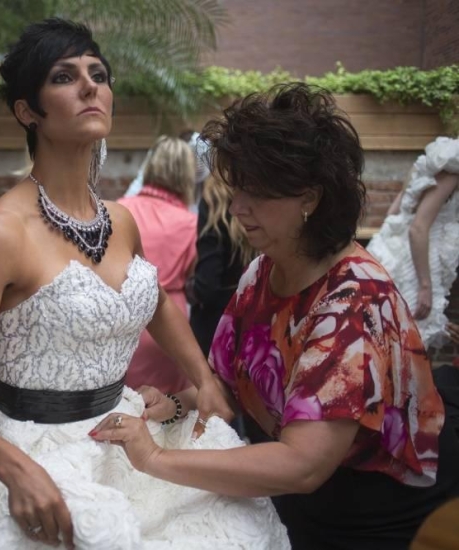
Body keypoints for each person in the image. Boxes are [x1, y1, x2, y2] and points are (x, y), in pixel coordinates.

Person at [0, 19, 289, 550]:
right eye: (64, 77)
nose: (90, 86)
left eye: (98, 74)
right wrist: (13, 468)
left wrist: (203, 380)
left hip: (126, 434)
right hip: (34, 454)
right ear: (26, 111)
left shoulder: (121, 220)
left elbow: (152, 300)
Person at [92, 83, 459, 550]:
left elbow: (301, 465)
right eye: (237, 188)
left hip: (374, 515)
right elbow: (222, 387)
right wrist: (175, 403)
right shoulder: (263, 273)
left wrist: (154, 458)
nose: (238, 207)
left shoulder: (352, 303)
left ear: (310, 198)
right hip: (301, 499)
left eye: (258, 193)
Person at [117, 136, 198, 394]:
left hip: (123, 318)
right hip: (170, 327)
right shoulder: (190, 223)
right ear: (187, 175)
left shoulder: (120, 210)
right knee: (167, 413)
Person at [366, 137, 459, 350]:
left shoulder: (432, 158)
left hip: (393, 251)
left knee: (384, 341)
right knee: (409, 344)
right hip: (417, 264)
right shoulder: (453, 169)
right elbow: (418, 228)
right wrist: (425, 286)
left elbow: (393, 212)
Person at [187, 173, 256, 357]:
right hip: (253, 324)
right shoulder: (257, 201)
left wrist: (190, 288)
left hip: (215, 331)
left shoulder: (213, 202)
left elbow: (207, 285)